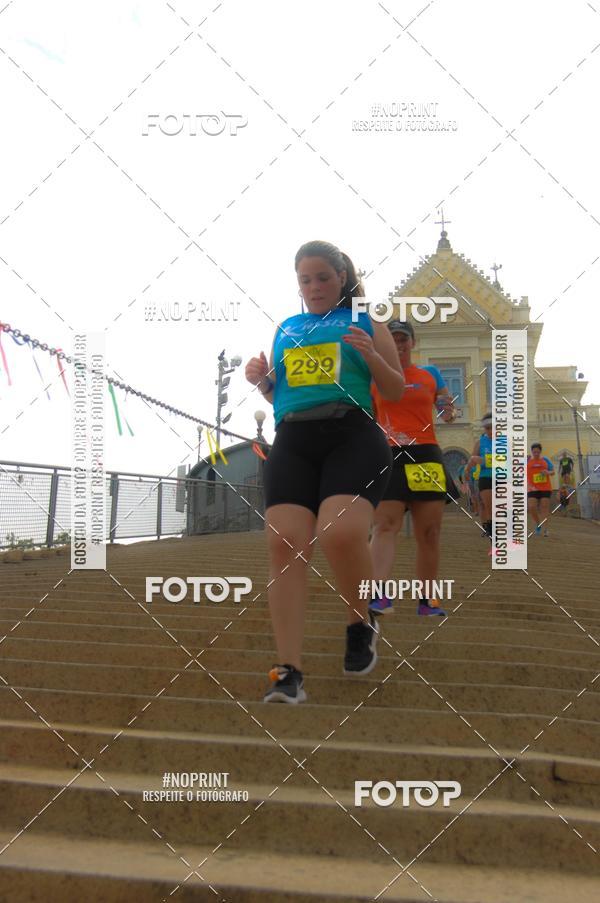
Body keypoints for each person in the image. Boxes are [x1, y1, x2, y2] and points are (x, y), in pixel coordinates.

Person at [245, 240, 405, 703]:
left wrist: (372, 357)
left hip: (353, 434)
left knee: (338, 531)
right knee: (284, 542)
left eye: (322, 278)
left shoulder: (364, 321)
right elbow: (282, 397)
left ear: (342, 279)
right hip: (294, 439)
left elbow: (393, 391)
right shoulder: (288, 328)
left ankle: (361, 620)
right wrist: (262, 382)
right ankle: (288, 671)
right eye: (304, 280)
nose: (313, 287)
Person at [367, 320, 459, 618]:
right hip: (388, 454)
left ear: (412, 343)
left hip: (425, 454)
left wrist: (448, 408)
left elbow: (446, 406)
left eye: (404, 338)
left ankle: (427, 601)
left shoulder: (429, 374)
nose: (398, 343)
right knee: (384, 525)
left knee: (429, 532)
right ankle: (379, 596)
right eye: (392, 338)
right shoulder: (374, 375)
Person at [465, 413, 493, 550]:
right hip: (486, 478)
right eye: (488, 428)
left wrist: (484, 461)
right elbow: (472, 458)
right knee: (490, 508)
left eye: (493, 427)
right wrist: (467, 471)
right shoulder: (480, 442)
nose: (491, 431)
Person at [527, 443, 554, 536]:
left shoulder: (545, 460)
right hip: (532, 488)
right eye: (534, 452)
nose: (536, 454)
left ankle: (546, 529)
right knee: (531, 507)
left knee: (544, 508)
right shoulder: (527, 461)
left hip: (545, 488)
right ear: (532, 452)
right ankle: (538, 524)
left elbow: (553, 472)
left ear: (540, 452)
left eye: (538, 452)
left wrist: (548, 472)